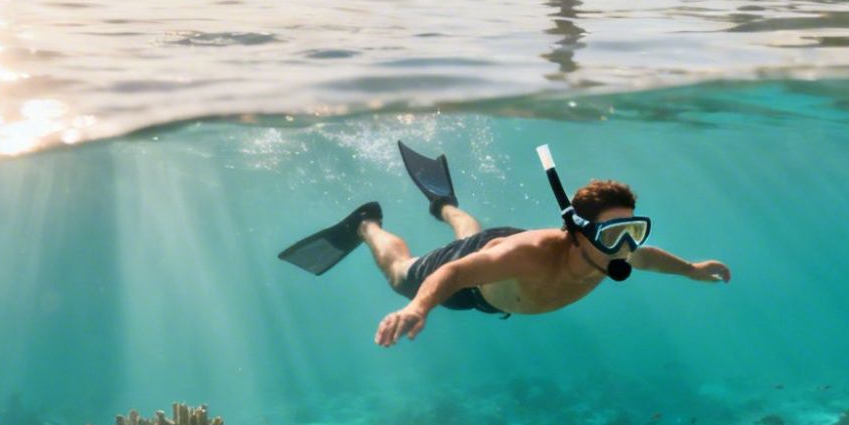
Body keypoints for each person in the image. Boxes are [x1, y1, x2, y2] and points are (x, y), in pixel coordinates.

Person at [278, 142, 729, 347]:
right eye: (613, 235)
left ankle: (444, 205)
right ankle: (368, 224)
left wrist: (690, 268)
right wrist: (418, 308)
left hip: (496, 257)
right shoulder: (527, 256)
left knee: (476, 239)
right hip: (474, 283)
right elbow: (454, 272)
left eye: (633, 231)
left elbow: (646, 258)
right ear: (578, 234)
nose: (626, 247)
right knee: (402, 271)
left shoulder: (616, 252)